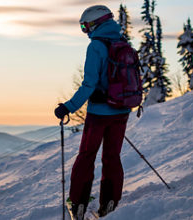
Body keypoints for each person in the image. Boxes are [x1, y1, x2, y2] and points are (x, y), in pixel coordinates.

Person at [54, 5, 131, 219]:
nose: (85, 31)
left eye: (85, 26)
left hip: (99, 113)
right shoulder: (122, 43)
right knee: (112, 157)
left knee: (86, 157)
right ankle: (110, 202)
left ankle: (78, 205)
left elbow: (89, 84)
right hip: (121, 111)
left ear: (96, 23)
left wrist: (67, 107)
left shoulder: (96, 46)